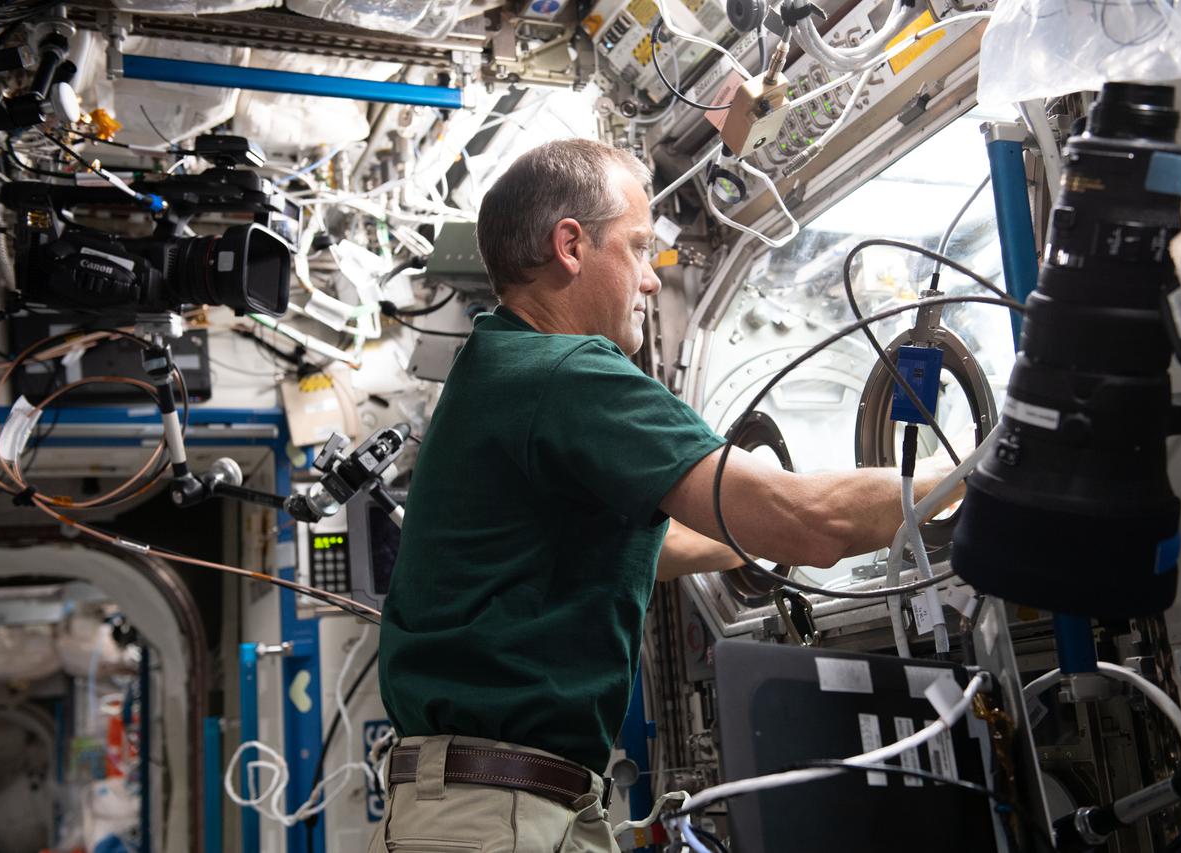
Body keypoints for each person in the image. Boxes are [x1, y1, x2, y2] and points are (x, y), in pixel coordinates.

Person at [371, 138, 961, 853]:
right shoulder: (565, 372)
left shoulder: (495, 368)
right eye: (639, 247)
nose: (651, 281)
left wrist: (776, 526)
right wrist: (975, 478)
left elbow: (642, 550)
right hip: (499, 817)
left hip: (474, 807)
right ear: (570, 245)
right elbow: (808, 523)